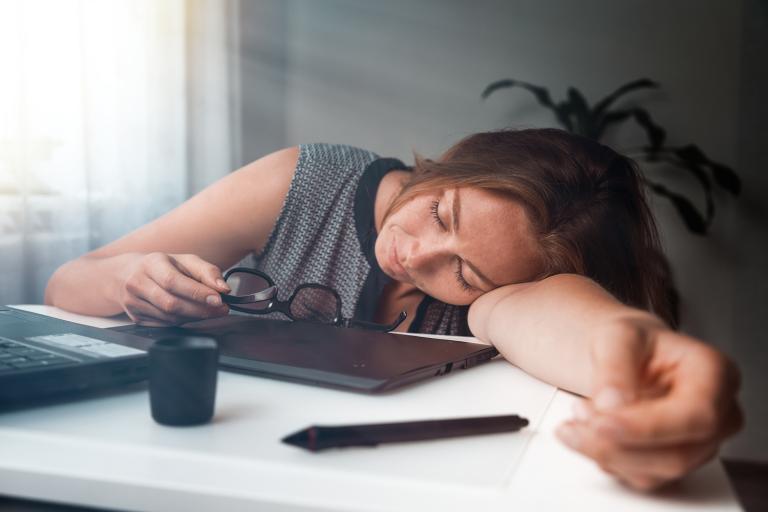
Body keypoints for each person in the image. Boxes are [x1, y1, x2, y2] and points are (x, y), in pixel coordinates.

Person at [45, 128, 742, 491]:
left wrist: (634, 346)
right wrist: (133, 279)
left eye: (464, 272)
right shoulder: (304, 182)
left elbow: (564, 319)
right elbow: (69, 283)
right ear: (450, 165)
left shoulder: (510, 287)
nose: (417, 254)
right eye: (441, 211)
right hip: (183, 457)